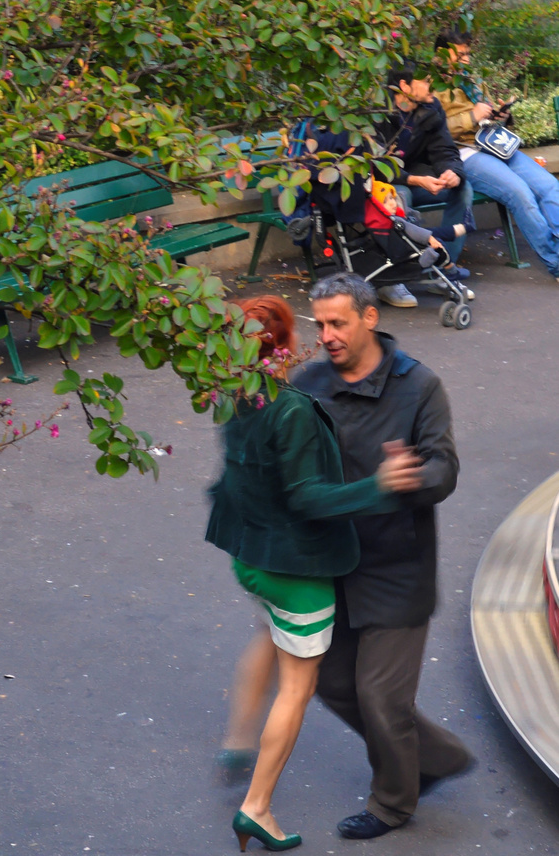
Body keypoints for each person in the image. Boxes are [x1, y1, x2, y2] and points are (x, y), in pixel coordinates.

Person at [207, 295, 424, 852]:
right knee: (297, 689)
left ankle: (237, 737)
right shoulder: (292, 407)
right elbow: (309, 499)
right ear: (286, 348)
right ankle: (256, 808)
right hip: (296, 570)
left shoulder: (236, 397)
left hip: (249, 559)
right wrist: (379, 484)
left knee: (267, 633)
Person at [290, 274, 471, 840]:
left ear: (370, 318)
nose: (327, 336)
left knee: (380, 694)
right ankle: (435, 758)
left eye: (338, 322)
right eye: (319, 324)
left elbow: (444, 468)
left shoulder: (419, 386)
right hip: (332, 562)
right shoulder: (308, 382)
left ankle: (393, 802)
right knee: (336, 685)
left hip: (397, 566)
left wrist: (407, 478)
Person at [433, 27, 559, 284]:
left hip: (494, 142)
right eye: (461, 54)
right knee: (520, 194)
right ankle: (556, 263)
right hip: (465, 152)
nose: (466, 59)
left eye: (468, 53)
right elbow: (433, 129)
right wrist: (472, 116)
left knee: (549, 186)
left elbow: (484, 111)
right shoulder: (430, 84)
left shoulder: (468, 78)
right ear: (440, 53)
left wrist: (499, 115)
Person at [372, 63, 474, 307]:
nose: (433, 87)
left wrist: (453, 172)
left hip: (420, 178)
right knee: (400, 195)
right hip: (386, 183)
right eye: (427, 81)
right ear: (405, 87)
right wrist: (414, 179)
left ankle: (443, 269)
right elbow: (376, 165)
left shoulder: (430, 107)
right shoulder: (376, 112)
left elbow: (445, 150)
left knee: (462, 190)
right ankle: (392, 280)